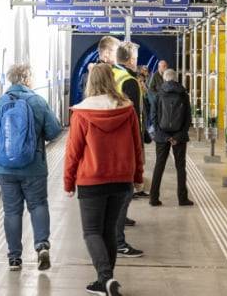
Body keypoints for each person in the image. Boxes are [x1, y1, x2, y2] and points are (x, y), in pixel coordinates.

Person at [64, 64, 143, 296]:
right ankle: (104, 282)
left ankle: (106, 278)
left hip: (92, 180)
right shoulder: (127, 109)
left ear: (90, 82)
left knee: (91, 231)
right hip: (121, 181)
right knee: (108, 230)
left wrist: (68, 182)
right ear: (112, 80)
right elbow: (137, 146)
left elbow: (73, 151)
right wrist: (137, 176)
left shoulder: (82, 113)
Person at [0, 63, 63, 272]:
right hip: (33, 166)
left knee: (12, 211)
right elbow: (54, 131)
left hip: (5, 168)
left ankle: (14, 259)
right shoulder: (37, 101)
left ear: (11, 79)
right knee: (37, 205)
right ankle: (42, 246)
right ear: (28, 79)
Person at [112, 41, 148, 255]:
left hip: (111, 137)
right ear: (131, 59)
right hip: (126, 140)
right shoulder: (130, 80)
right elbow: (133, 115)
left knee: (118, 189)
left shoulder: (112, 74)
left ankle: (118, 227)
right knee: (126, 190)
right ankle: (118, 242)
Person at [150, 68, 193, 207]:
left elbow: (154, 117)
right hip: (179, 136)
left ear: (164, 78)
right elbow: (187, 118)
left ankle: (154, 198)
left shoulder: (159, 93)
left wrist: (163, 135)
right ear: (175, 78)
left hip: (162, 136)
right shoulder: (183, 94)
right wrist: (178, 136)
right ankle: (182, 199)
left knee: (159, 166)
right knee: (180, 167)